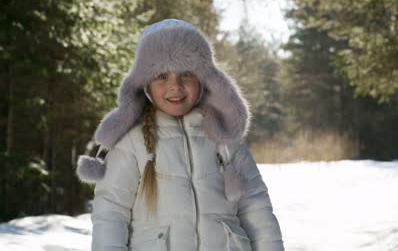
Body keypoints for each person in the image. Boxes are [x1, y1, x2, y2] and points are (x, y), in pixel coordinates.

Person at [76, 19, 284, 251]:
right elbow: (111, 214)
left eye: (186, 74)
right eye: (162, 76)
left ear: (204, 80)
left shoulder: (224, 140)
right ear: (145, 85)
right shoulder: (131, 144)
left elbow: (256, 208)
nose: (175, 86)